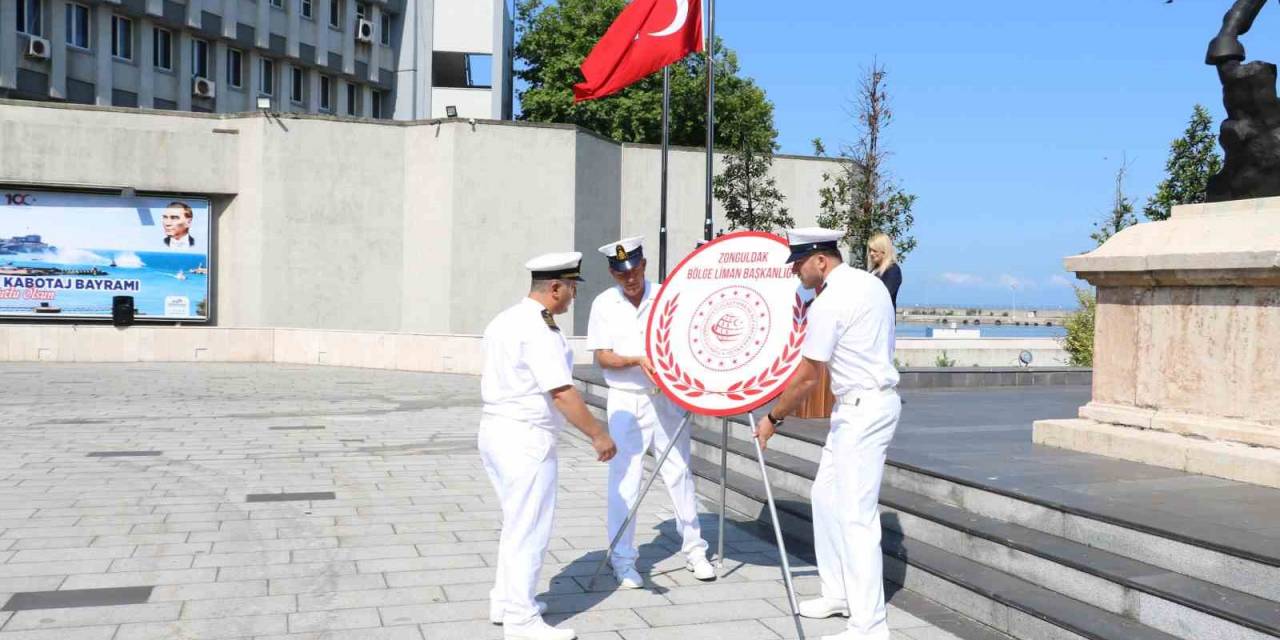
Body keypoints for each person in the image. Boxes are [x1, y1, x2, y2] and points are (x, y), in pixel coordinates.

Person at [754, 228, 901, 640]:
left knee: (857, 518)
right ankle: (837, 593)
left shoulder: (831, 300)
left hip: (863, 409)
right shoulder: (868, 284)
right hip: (859, 406)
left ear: (821, 259)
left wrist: (773, 418)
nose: (795, 272)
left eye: (799, 264)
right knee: (824, 496)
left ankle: (869, 625)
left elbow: (807, 376)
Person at [479, 252, 618, 640]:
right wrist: (598, 434)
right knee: (530, 527)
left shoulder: (504, 319)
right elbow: (561, 392)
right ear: (554, 287)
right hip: (526, 437)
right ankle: (521, 622)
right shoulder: (539, 330)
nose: (573, 296)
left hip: (495, 431)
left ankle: (506, 602)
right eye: (571, 288)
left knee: (515, 521)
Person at [586, 236, 715, 590]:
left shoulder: (666, 296)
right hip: (626, 399)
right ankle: (623, 559)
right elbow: (603, 356)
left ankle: (694, 549)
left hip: (665, 398)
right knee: (625, 480)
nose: (631, 279)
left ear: (644, 266)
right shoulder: (604, 304)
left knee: (679, 472)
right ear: (613, 273)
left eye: (636, 270)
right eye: (622, 273)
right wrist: (637, 359)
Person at [867, 233, 901, 310]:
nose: (871, 253)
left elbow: (885, 295)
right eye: (870, 250)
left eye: (875, 251)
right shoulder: (874, 270)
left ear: (884, 250)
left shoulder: (893, 270)